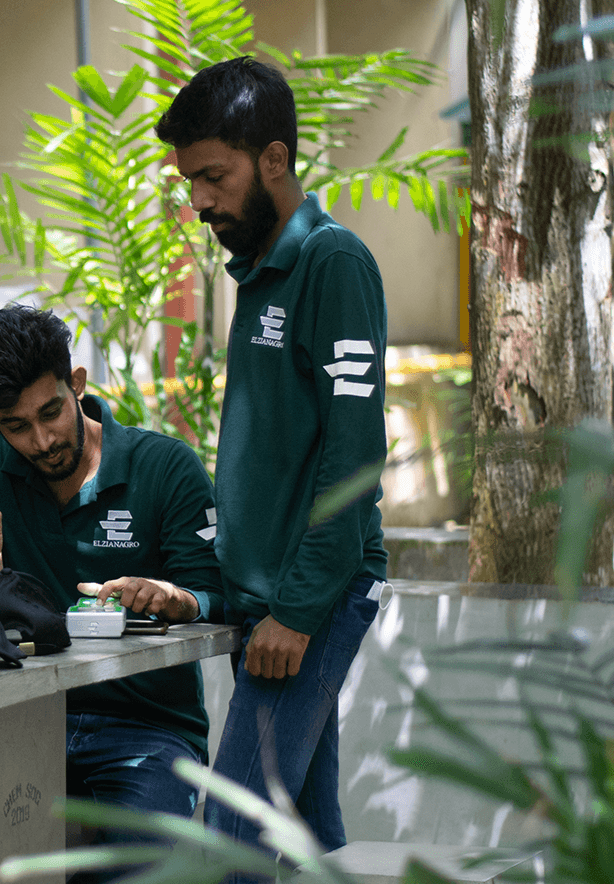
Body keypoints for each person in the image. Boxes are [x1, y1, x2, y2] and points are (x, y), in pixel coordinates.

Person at [154, 56, 388, 875]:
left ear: (275, 159)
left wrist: (295, 610)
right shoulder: (258, 272)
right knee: (309, 839)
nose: (199, 200)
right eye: (190, 180)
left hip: (308, 601)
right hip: (266, 606)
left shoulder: (332, 261)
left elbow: (354, 454)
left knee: (230, 843)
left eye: (214, 176)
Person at [0, 305, 223, 883]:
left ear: (76, 384)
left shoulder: (165, 467)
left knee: (144, 868)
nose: (42, 440)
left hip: (149, 728)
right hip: (22, 717)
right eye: (16, 426)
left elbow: (217, 595)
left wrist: (174, 598)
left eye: (50, 412)